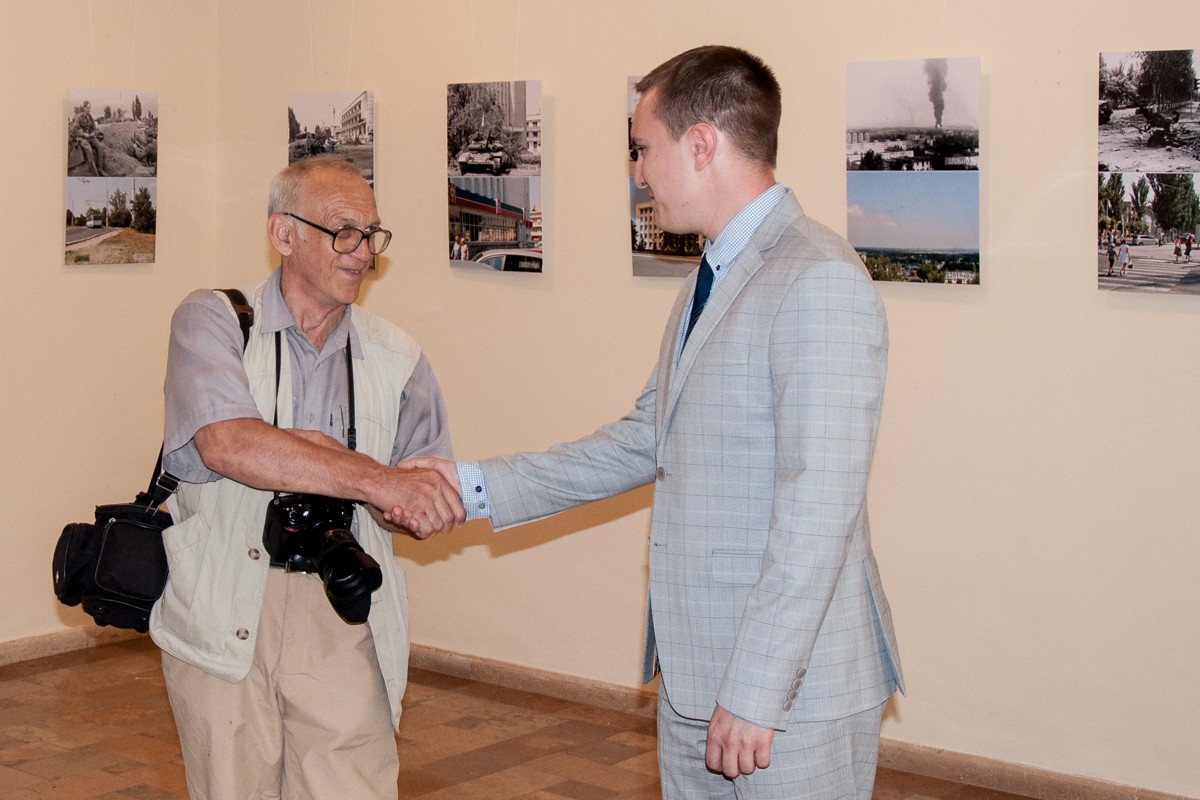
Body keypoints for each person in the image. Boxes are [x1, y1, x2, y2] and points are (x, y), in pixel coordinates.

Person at [405, 46, 904, 799]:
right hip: (697, 676)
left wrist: (756, 692)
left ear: (701, 144)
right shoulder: (715, 273)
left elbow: (818, 510)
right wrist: (470, 485)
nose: (638, 174)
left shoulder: (818, 277)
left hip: (786, 698)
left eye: (642, 149)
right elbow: (648, 438)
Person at [152, 155, 465, 800]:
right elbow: (228, 444)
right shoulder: (213, 320)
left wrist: (416, 503)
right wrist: (374, 480)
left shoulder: (399, 360)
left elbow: (418, 496)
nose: (363, 252)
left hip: (342, 607)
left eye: (371, 234)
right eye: (343, 232)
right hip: (226, 605)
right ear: (283, 233)